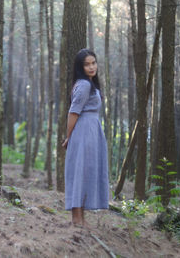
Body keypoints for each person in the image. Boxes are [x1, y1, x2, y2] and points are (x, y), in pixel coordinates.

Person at [61, 49, 109, 227]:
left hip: (91, 131)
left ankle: (81, 219)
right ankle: (76, 219)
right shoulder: (84, 85)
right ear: (80, 67)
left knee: (86, 172)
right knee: (80, 172)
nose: (91, 67)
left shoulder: (90, 84)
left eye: (93, 63)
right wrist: (69, 138)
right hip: (83, 132)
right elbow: (73, 113)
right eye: (87, 64)